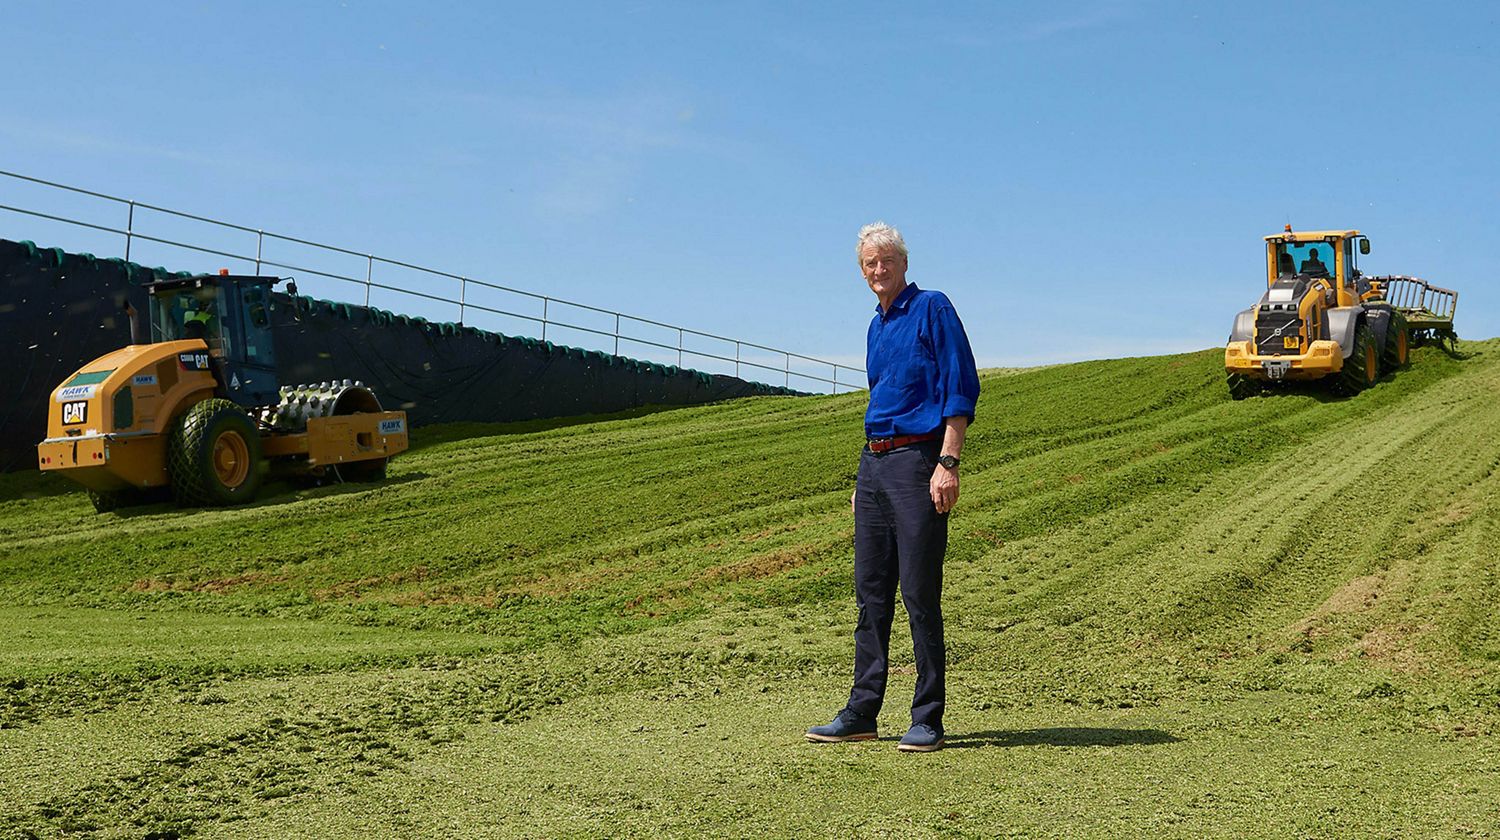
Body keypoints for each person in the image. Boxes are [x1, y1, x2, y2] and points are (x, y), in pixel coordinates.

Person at [805, 222, 980, 753]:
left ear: (904, 263)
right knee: (871, 595)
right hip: (875, 465)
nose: (877, 271)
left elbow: (959, 384)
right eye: (868, 264)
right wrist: (866, 477)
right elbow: (881, 397)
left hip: (918, 461)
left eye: (885, 261)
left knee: (919, 593)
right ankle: (862, 710)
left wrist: (947, 461)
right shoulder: (874, 327)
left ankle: (928, 716)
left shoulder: (932, 307)